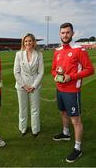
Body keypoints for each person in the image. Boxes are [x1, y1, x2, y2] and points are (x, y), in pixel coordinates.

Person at [51, 23, 94, 163]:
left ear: (72, 33)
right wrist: (56, 76)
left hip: (72, 91)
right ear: (59, 34)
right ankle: (65, 133)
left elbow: (90, 69)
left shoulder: (79, 50)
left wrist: (72, 77)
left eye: (68, 32)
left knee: (75, 119)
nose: (65, 35)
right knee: (63, 113)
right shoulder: (57, 51)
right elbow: (53, 69)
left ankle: (77, 148)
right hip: (60, 89)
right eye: (62, 33)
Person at [14, 33, 44, 137]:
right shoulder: (19, 54)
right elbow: (16, 72)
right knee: (22, 109)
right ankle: (23, 128)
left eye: (30, 41)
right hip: (21, 86)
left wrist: (34, 86)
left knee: (35, 109)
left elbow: (41, 72)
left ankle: (35, 129)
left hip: (34, 86)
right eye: (26, 41)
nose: (28, 43)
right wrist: (24, 85)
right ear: (23, 42)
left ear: (34, 42)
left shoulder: (39, 55)